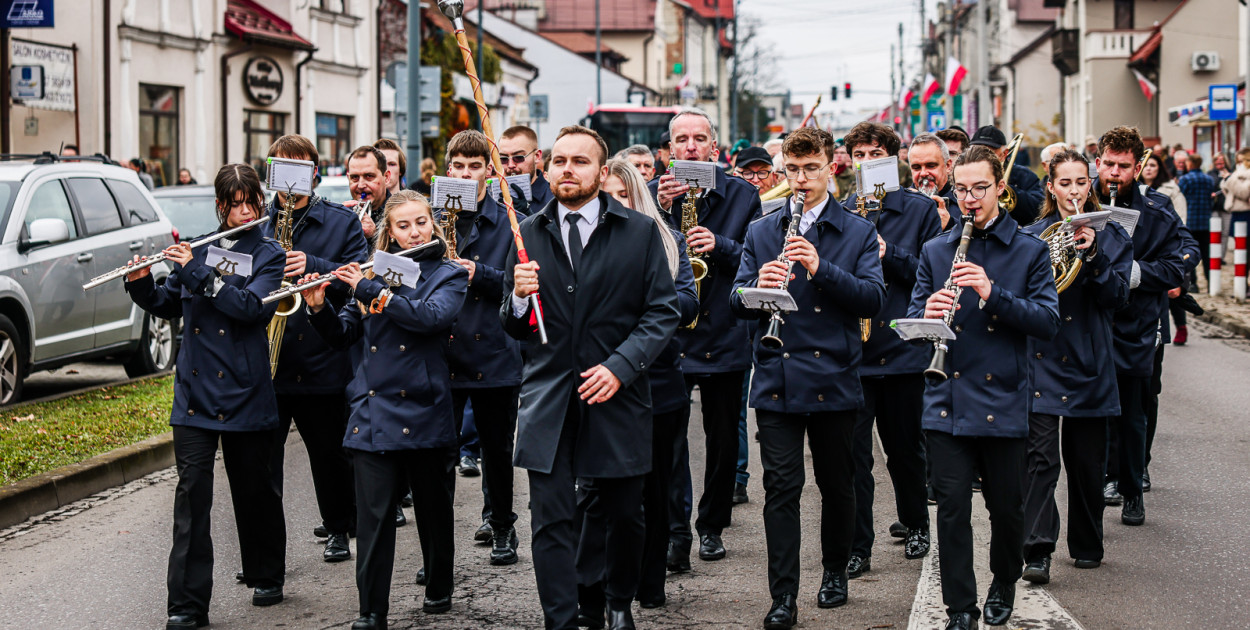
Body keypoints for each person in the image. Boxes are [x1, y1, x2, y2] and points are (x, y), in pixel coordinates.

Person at [503, 124, 679, 630]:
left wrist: (621, 367)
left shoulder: (639, 232)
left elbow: (661, 313)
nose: (566, 169)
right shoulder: (527, 232)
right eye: (559, 160)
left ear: (602, 174)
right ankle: (562, 619)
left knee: (626, 512)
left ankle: (617, 599)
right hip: (549, 397)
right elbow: (514, 325)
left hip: (616, 395)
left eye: (579, 162)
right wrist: (517, 297)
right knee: (552, 520)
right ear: (546, 167)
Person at [731, 127, 885, 628]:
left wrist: (821, 268)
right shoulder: (761, 230)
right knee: (781, 489)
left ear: (830, 167)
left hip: (835, 374)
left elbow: (872, 300)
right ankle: (783, 595)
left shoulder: (858, 231)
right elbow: (735, 300)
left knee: (838, 485)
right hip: (777, 374)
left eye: (811, 168)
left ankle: (835, 570)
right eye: (792, 170)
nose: (801, 179)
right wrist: (758, 288)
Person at [124, 164, 289, 629]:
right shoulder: (199, 246)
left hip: (245, 389)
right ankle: (187, 604)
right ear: (219, 205)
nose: (242, 211)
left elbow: (250, 309)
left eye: (249, 202)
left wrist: (200, 274)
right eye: (233, 203)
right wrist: (139, 282)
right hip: (195, 393)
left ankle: (265, 572)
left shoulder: (270, 254)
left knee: (255, 490)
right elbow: (166, 302)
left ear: (259, 201)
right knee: (192, 497)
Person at [908, 145, 1060, 630]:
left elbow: (1047, 322)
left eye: (979, 188)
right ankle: (960, 608)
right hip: (946, 396)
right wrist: (927, 316)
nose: (969, 199)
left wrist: (993, 294)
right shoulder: (935, 250)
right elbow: (910, 325)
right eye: (961, 189)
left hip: (1005, 397)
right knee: (951, 509)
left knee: (1006, 509)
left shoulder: (1030, 250)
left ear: (1000, 187)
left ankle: (1003, 581)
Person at [301, 190, 468, 629]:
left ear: (432, 224)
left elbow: (429, 318)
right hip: (372, 411)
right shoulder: (372, 271)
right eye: (403, 225)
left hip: (425, 408)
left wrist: (371, 289)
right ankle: (371, 611)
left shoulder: (448, 275)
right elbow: (343, 336)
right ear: (389, 234)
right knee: (373, 520)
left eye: (421, 222)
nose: (415, 231)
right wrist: (318, 308)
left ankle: (438, 585)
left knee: (433, 510)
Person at [578, 158, 696, 620]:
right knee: (600, 492)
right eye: (608, 195)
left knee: (655, 487)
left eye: (624, 195)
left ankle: (651, 581)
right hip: (603, 381)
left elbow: (685, 303)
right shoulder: (587, 242)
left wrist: (652, 289)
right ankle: (599, 587)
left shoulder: (668, 240)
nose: (616, 204)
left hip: (659, 379)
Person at [649, 107, 762, 570]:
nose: (691, 146)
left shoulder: (741, 195)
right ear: (670, 151)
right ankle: (676, 531)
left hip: (724, 330)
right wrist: (658, 208)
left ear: (715, 149)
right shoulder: (656, 196)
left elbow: (757, 258)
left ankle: (711, 525)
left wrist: (722, 245)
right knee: (670, 443)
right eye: (682, 140)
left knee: (722, 440)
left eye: (700, 139)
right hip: (670, 335)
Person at [1020, 150, 1132, 585]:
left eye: (1080, 183)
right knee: (1040, 460)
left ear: (1091, 185)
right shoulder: (1032, 236)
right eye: (1064, 183)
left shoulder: (1113, 236)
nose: (1073, 191)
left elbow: (1118, 298)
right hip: (1042, 356)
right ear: (1050, 187)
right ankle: (1037, 549)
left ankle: (1087, 543)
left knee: (1087, 464)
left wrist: (1095, 256)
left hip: (1089, 360)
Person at [260, 135, 370, 565]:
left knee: (329, 456)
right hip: (269, 360)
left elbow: (357, 275)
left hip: (322, 354)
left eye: (298, 169)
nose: (289, 181)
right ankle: (265, 552)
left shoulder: (340, 222)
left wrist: (313, 266)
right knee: (263, 467)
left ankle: (339, 529)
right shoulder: (259, 225)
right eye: (280, 169)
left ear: (316, 173)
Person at [840, 122, 941, 580]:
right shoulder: (843, 209)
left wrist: (887, 252)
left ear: (893, 158)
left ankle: (917, 523)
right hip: (856, 355)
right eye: (859, 154)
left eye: (875, 152)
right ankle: (858, 545)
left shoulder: (919, 209)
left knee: (905, 449)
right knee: (854, 457)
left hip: (901, 349)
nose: (866, 160)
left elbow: (930, 272)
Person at [442, 129, 526, 565]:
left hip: (494, 347)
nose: (466, 173)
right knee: (439, 454)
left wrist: (479, 273)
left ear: (489, 173)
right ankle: (438, 549)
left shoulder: (510, 218)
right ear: (448, 169)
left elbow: (519, 283)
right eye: (458, 166)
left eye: (475, 166)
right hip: (441, 351)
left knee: (496, 449)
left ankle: (502, 526)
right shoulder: (433, 216)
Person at [1096, 126, 1187, 524]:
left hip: (1135, 323)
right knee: (1093, 412)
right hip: (1092, 321)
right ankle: (1102, 481)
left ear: (1138, 167)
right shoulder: (1082, 200)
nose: (1115, 173)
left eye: (1124, 166)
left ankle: (1133, 488)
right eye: (1109, 164)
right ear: (1097, 162)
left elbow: (1177, 262)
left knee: (1133, 413)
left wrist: (1134, 272)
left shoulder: (1156, 208)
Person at [968, 126, 1044, 225]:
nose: (982, 157)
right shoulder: (965, 176)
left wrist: (1009, 190)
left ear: (1004, 154)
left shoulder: (1024, 175)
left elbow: (1039, 210)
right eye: (977, 151)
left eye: (989, 152)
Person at [909, 131, 959, 230]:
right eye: (916, 167)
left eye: (931, 166)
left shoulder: (964, 202)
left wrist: (950, 224)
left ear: (948, 166)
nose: (923, 173)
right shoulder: (901, 204)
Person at [499, 125, 554, 210]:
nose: (510, 165)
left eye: (518, 157)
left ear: (537, 156)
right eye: (503, 159)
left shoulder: (554, 198)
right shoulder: (494, 198)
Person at [345, 146, 393, 240]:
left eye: (369, 176)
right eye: (355, 177)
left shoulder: (400, 212)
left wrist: (374, 236)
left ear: (386, 177)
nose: (361, 185)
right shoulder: (345, 213)